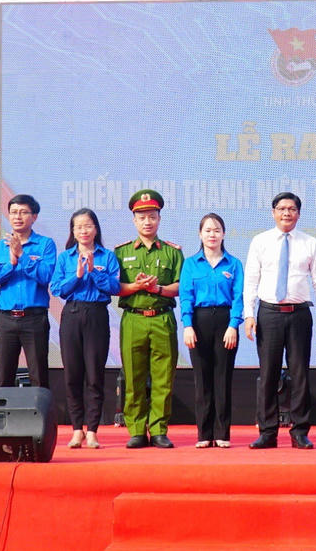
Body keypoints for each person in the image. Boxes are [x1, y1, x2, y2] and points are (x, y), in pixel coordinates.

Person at [243, 192, 316, 450]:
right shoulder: (260, 241)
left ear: (299, 214)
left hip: (299, 314)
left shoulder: (310, 243)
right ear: (273, 213)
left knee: (300, 374)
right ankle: (268, 432)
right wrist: (249, 314)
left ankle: (300, 431)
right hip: (268, 313)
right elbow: (251, 279)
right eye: (281, 208)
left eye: (292, 209)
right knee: (268, 374)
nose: (286, 213)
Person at [116, 189, 183, 449]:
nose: (147, 222)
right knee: (133, 376)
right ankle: (135, 429)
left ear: (159, 219)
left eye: (152, 216)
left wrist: (158, 290)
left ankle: (158, 430)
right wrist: (137, 287)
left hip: (162, 318)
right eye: (142, 217)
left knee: (163, 377)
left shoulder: (172, 252)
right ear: (134, 220)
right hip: (133, 318)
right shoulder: (121, 252)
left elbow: (180, 286)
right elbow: (114, 286)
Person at [49, 208, 120, 449]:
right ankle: (77, 429)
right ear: (73, 231)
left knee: (94, 375)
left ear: (96, 229)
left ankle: (93, 430)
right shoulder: (65, 257)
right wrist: (78, 275)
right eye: (78, 227)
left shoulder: (107, 256)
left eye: (87, 226)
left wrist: (93, 273)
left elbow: (113, 287)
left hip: (97, 315)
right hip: (72, 314)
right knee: (72, 375)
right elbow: (58, 289)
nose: (83, 231)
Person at [179, 213, 244, 449]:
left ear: (223, 234)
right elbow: (186, 296)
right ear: (200, 234)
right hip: (199, 321)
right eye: (207, 230)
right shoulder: (190, 263)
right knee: (202, 379)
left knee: (222, 378)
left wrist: (233, 325)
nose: (212, 234)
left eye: (217, 230)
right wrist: (187, 325)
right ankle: (204, 434)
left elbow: (239, 297)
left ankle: (222, 433)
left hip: (226, 321)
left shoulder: (234, 263)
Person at [0, 194, 57, 389]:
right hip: (6, 318)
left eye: (24, 212)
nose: (17, 217)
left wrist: (22, 255)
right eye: (14, 212)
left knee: (38, 375)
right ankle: (2, 418)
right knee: (3, 376)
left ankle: (40, 418)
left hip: (34, 318)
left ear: (34, 217)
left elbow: (45, 276)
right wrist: (11, 263)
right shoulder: (0, 246)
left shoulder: (45, 244)